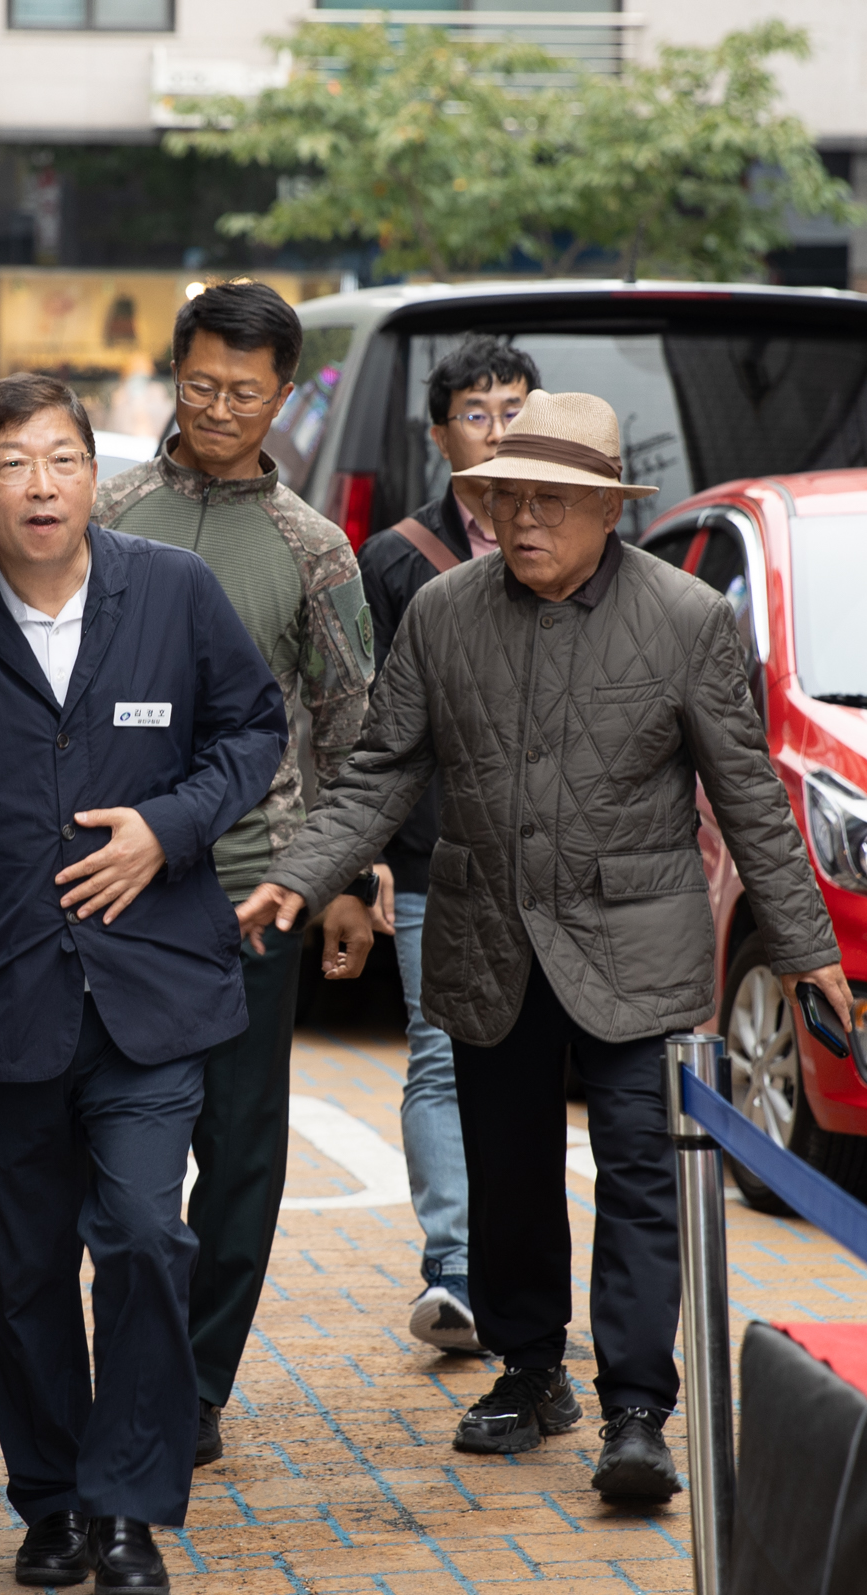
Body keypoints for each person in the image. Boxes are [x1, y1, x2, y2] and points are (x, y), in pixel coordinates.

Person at [238, 392, 854, 1501]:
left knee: (638, 1175)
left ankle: (635, 1406)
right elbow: (382, 766)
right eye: (505, 497)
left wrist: (805, 946)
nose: (523, 520)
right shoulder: (444, 611)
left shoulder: (684, 617)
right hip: (488, 935)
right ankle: (530, 1371)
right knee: (509, 1171)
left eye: (551, 502)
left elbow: (747, 793)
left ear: (605, 512)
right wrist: (301, 871)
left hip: (636, 941)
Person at [0, 373, 286, 1595]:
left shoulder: (176, 594)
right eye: (11, 464)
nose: (40, 485)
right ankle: (51, 1496)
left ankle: (131, 1510)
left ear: (97, 473)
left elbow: (251, 732)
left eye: (61, 460)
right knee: (24, 1263)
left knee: (146, 1234)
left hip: (152, 990)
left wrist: (167, 827)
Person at [90, 281, 378, 1467]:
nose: (217, 408)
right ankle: (127, 1356)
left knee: (244, 1148)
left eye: (243, 392)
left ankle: (195, 1380)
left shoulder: (315, 550)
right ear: (174, 373)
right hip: (106, 887)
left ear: (284, 395)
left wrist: (348, 879)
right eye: (200, 383)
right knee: (113, 1146)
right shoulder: (105, 513)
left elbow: (353, 729)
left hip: (254, 889)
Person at [351, 336, 538, 1354]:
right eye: (478, 410)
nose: (499, 427)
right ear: (439, 431)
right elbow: (380, 725)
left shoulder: (577, 538)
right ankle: (455, 1268)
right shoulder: (397, 560)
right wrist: (373, 852)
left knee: (529, 1059)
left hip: (550, 861)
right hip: (434, 856)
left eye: (517, 407)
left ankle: (521, 1271)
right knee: (439, 1052)